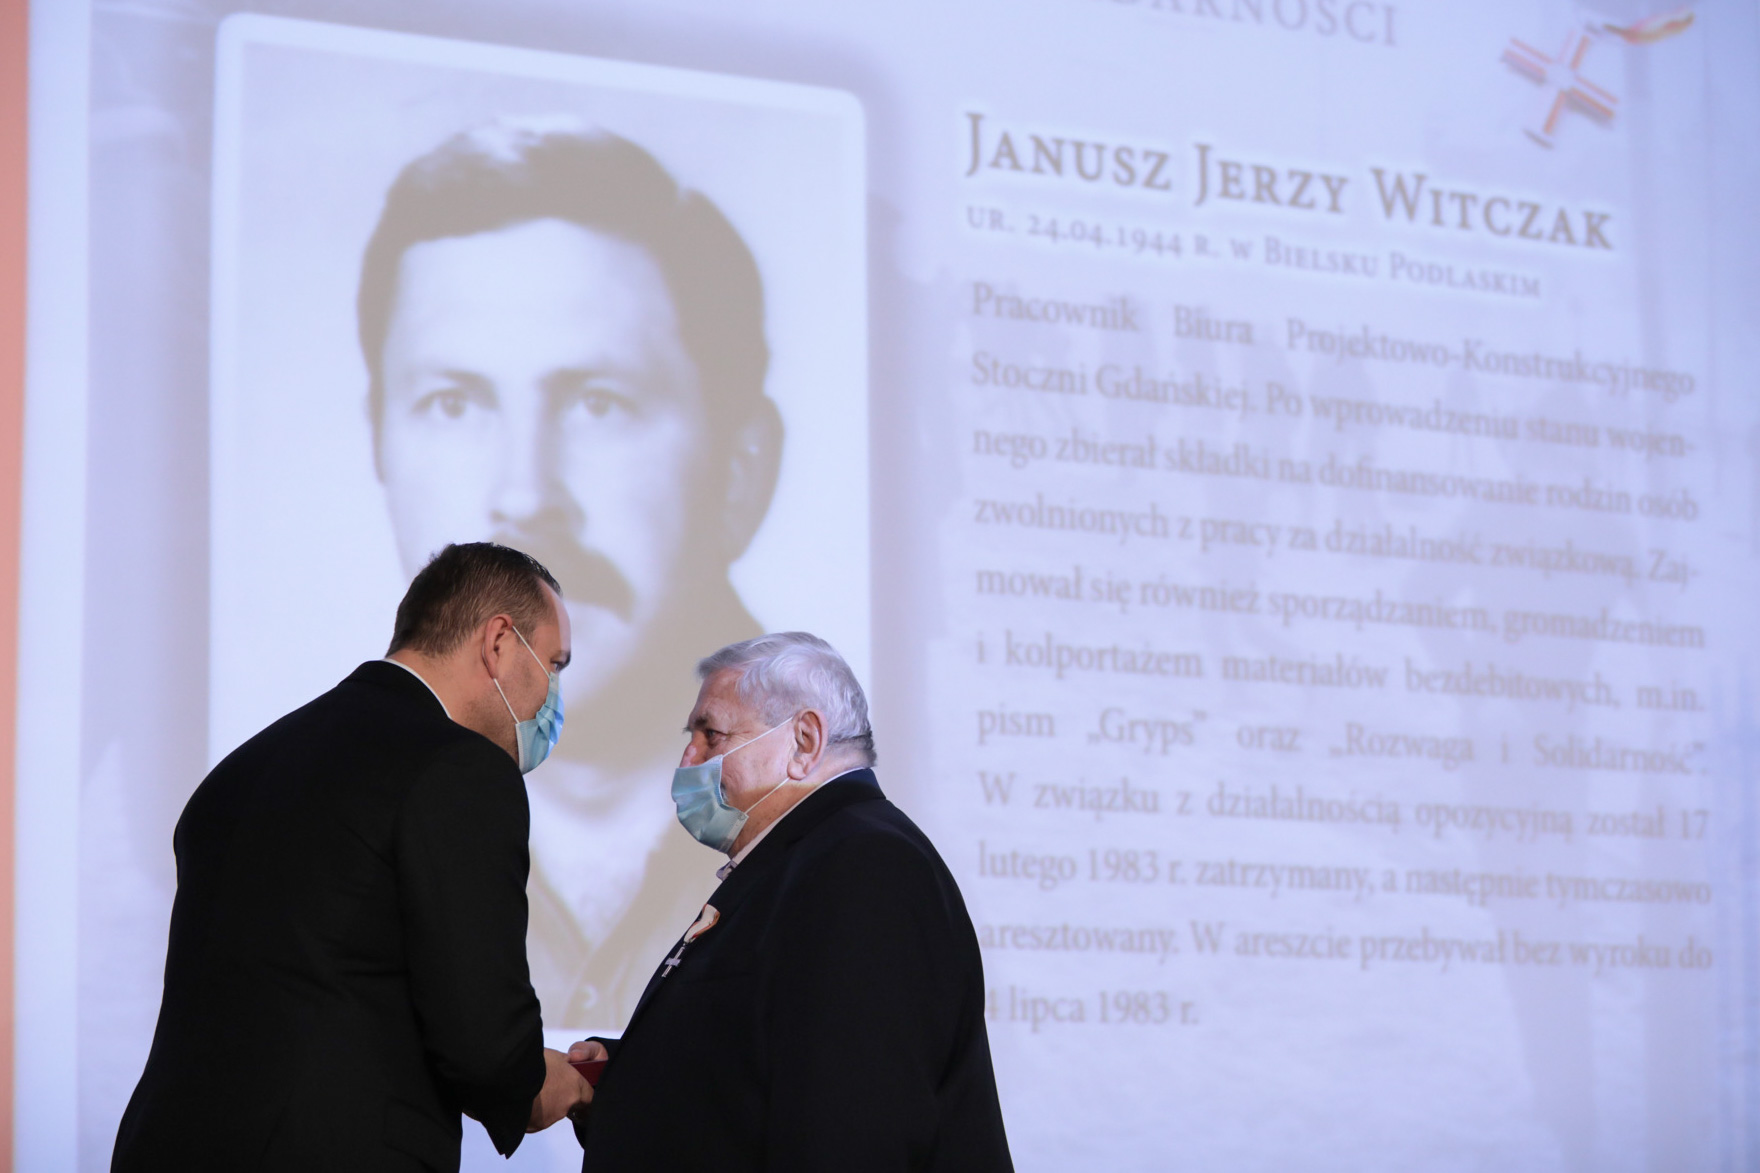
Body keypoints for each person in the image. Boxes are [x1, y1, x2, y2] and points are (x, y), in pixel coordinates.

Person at [357, 118, 785, 1027]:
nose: (524, 494)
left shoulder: (837, 837)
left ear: (742, 470)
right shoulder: (323, 830)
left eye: (599, 403)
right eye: (453, 402)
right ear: (379, 447)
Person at [112, 543, 592, 1172]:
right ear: (499, 642)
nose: (553, 694)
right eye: (554, 664)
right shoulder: (461, 769)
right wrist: (544, 1083)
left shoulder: (246, 765)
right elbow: (484, 1041)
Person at [566, 633, 1014, 1171]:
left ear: (804, 741)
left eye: (711, 734)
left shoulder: (865, 865)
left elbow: (855, 1123)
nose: (688, 758)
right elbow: (756, 1061)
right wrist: (620, 1073)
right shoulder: (808, 858)